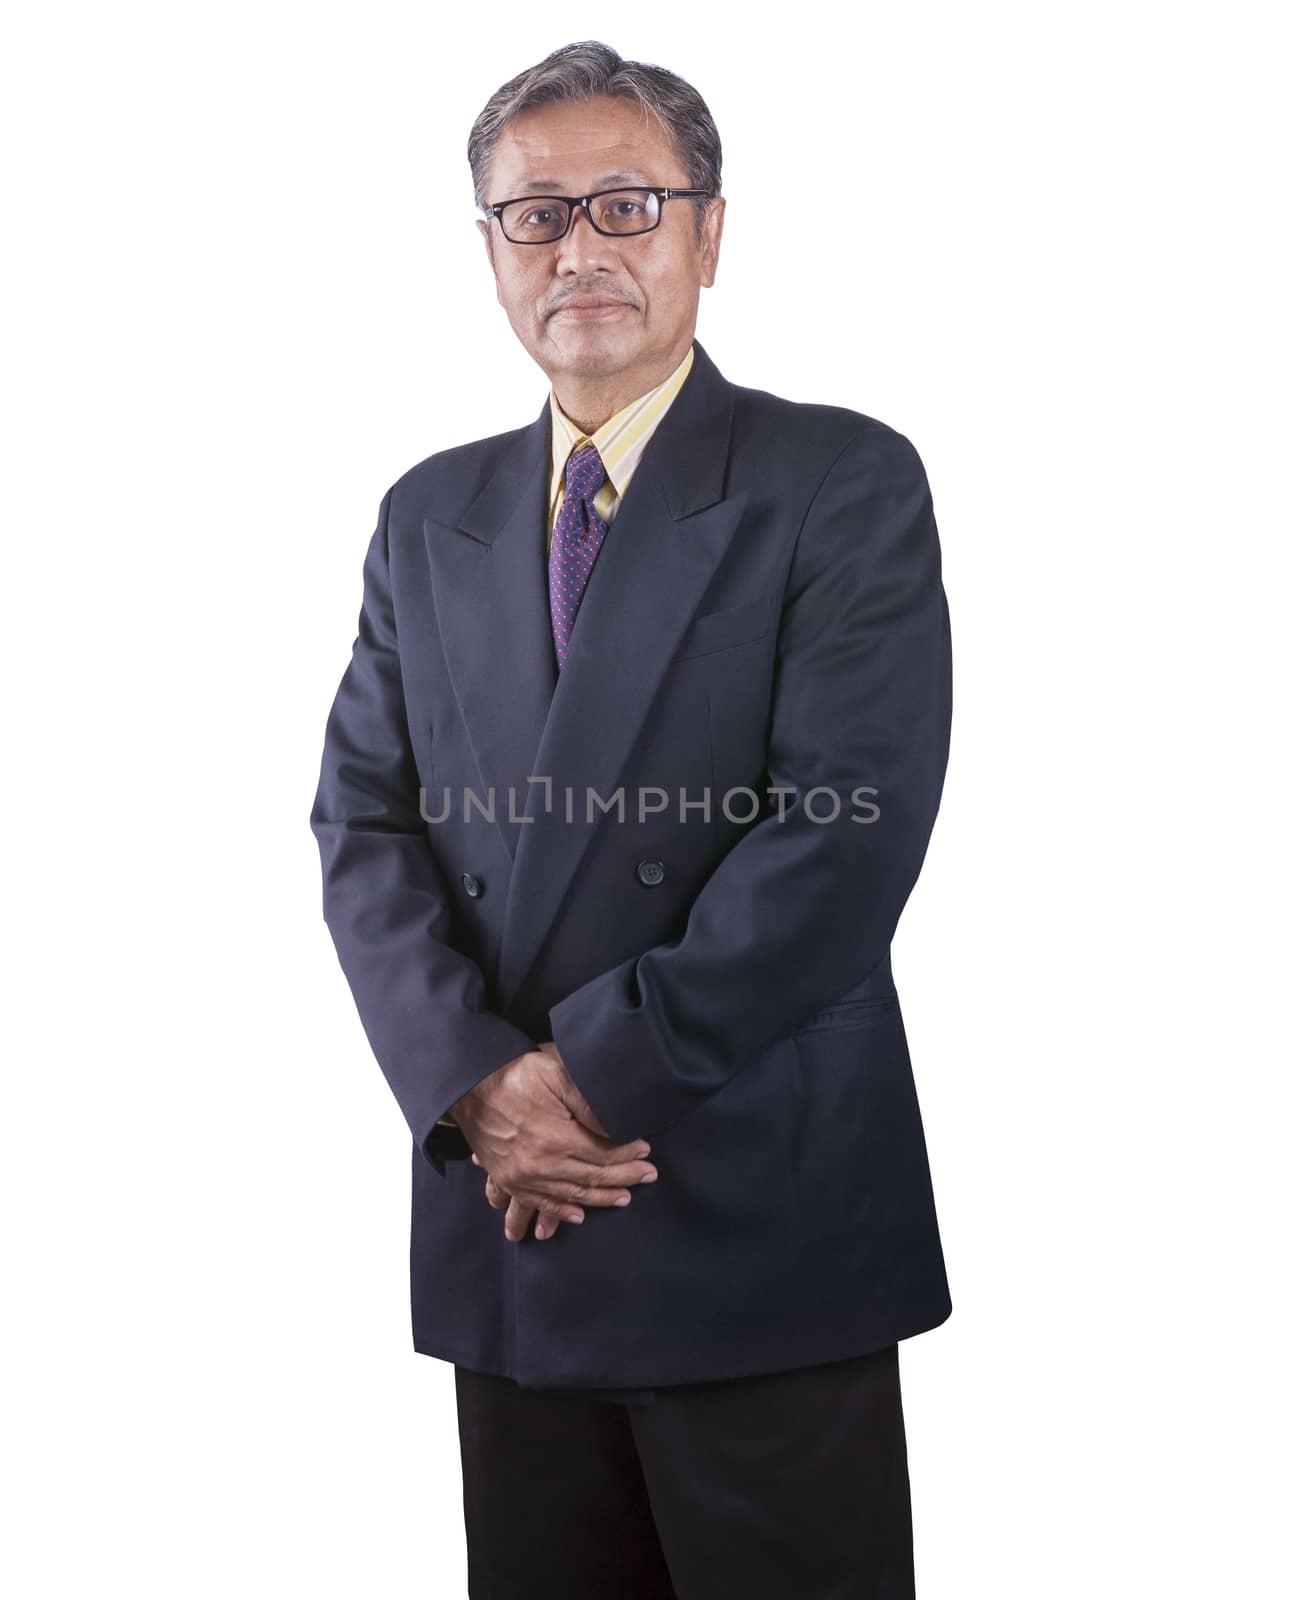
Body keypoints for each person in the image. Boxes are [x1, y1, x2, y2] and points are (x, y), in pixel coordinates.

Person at [310, 38, 954, 1600]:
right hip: (509, 1218)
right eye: (535, 215)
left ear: (708, 234)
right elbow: (363, 825)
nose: (580, 247)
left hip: (740, 1198)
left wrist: (578, 1088)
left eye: (626, 203)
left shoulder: (836, 480)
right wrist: (474, 1087)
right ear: (489, 250)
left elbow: (843, 835)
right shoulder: (428, 512)